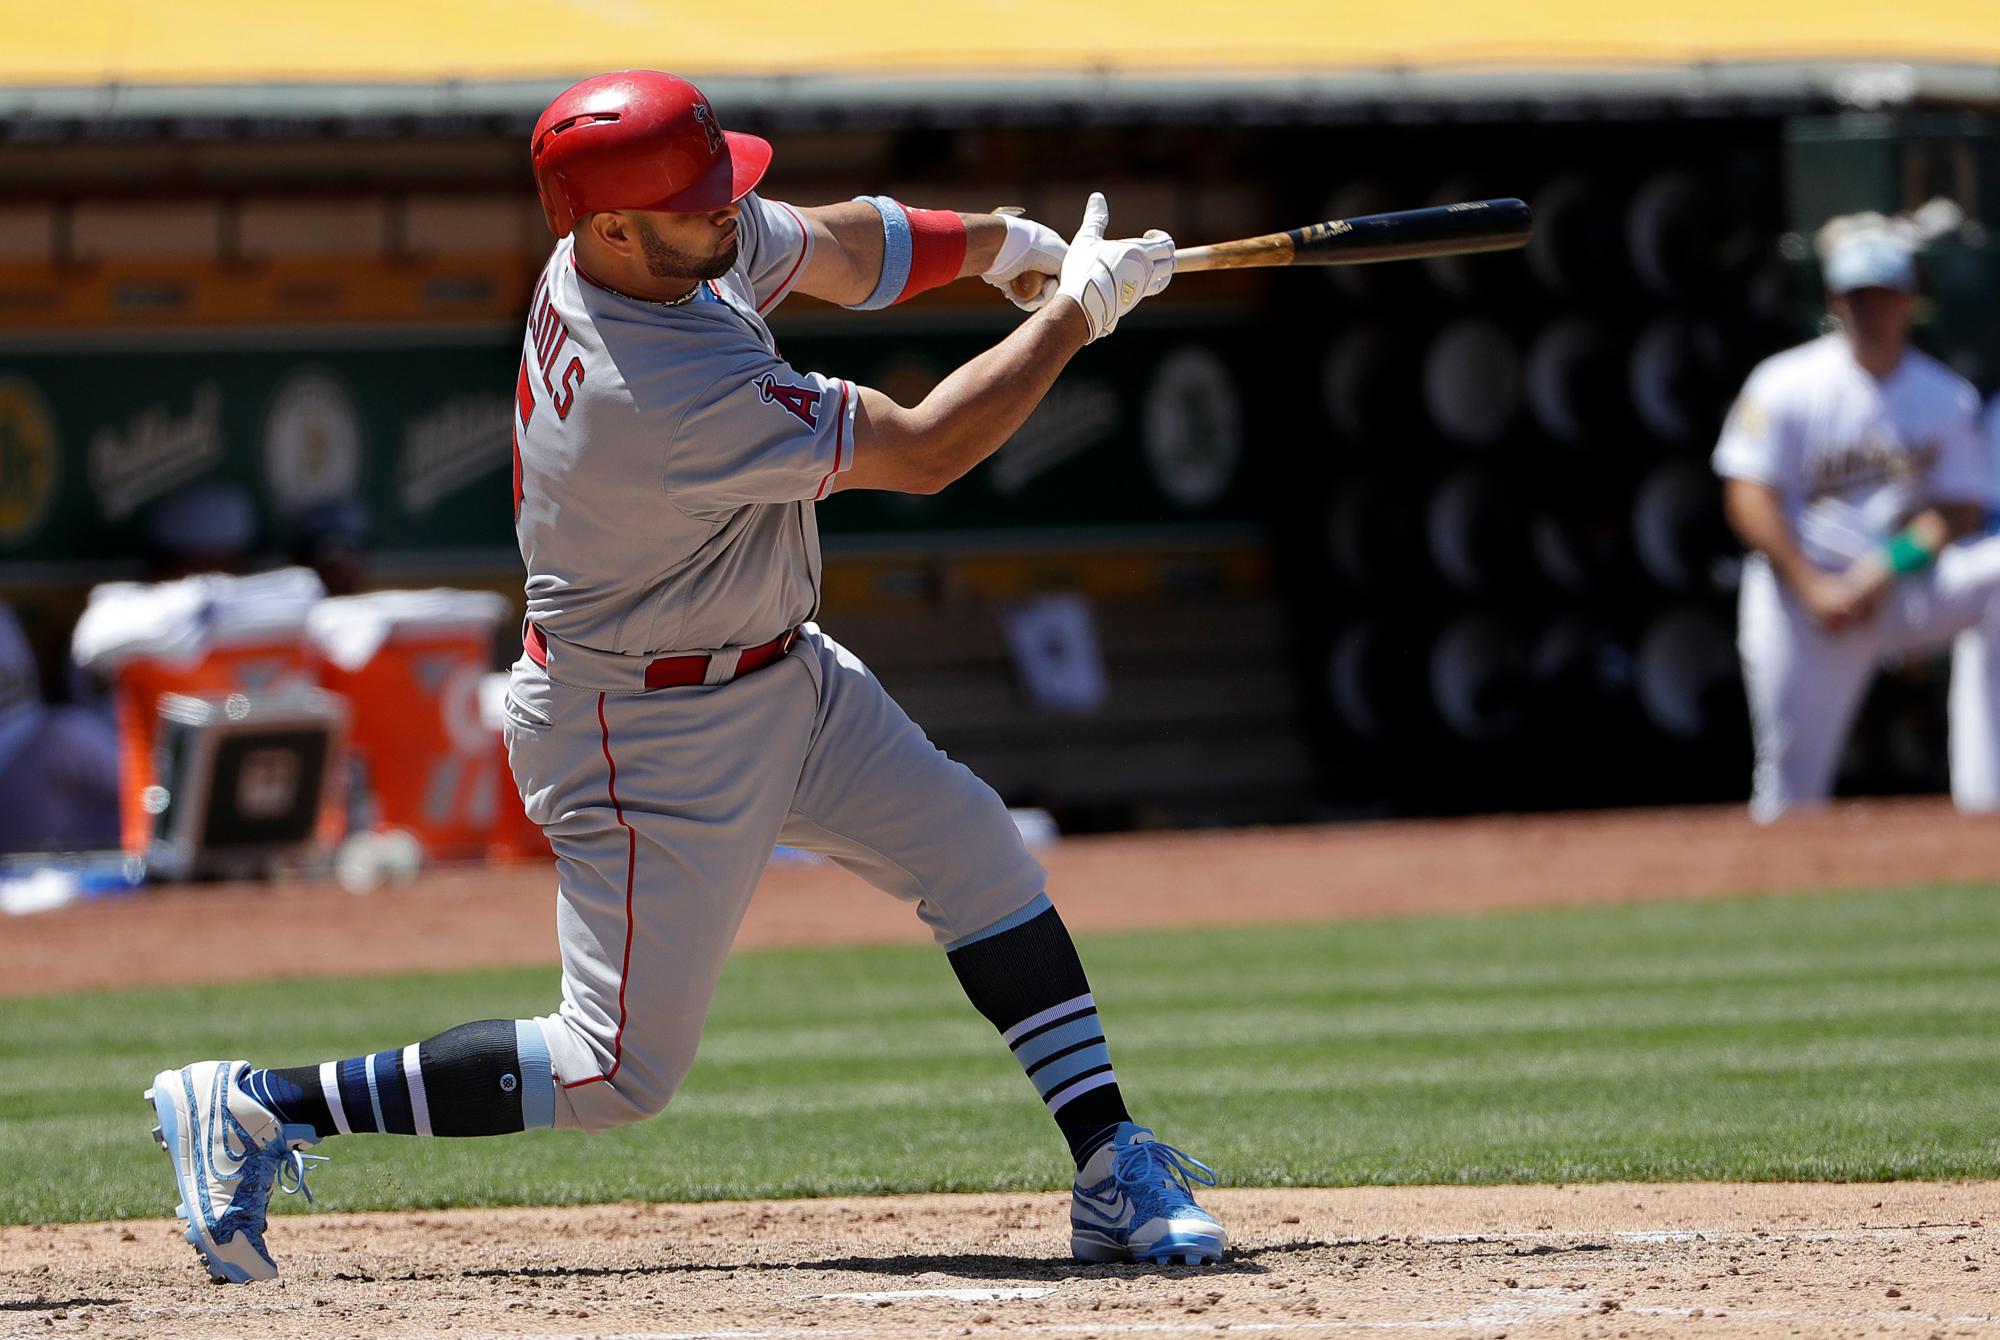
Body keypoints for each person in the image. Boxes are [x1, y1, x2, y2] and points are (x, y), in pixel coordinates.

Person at [145, 70, 1224, 1284]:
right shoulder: (652, 390)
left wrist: (1005, 247)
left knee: (975, 852)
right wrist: (1074, 312)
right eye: (702, 203)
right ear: (611, 225)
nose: (729, 216)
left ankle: (1109, 1165)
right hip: (643, 724)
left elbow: (831, 241)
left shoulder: (643, 244)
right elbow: (927, 451)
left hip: (779, 670)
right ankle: (256, 1102)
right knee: (613, 1073)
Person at [1715, 220, 2000, 821]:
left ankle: (1987, 803)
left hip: (1898, 583)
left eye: (1883, 295)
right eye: (1857, 296)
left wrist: (1884, 569)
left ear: (1909, 301)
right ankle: (1783, 886)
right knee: (1791, 790)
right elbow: (1747, 496)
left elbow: (1960, 509)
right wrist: (1812, 585)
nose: (1871, 310)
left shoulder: (1943, 396)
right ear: (1834, 301)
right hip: (1802, 595)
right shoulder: (1785, 382)